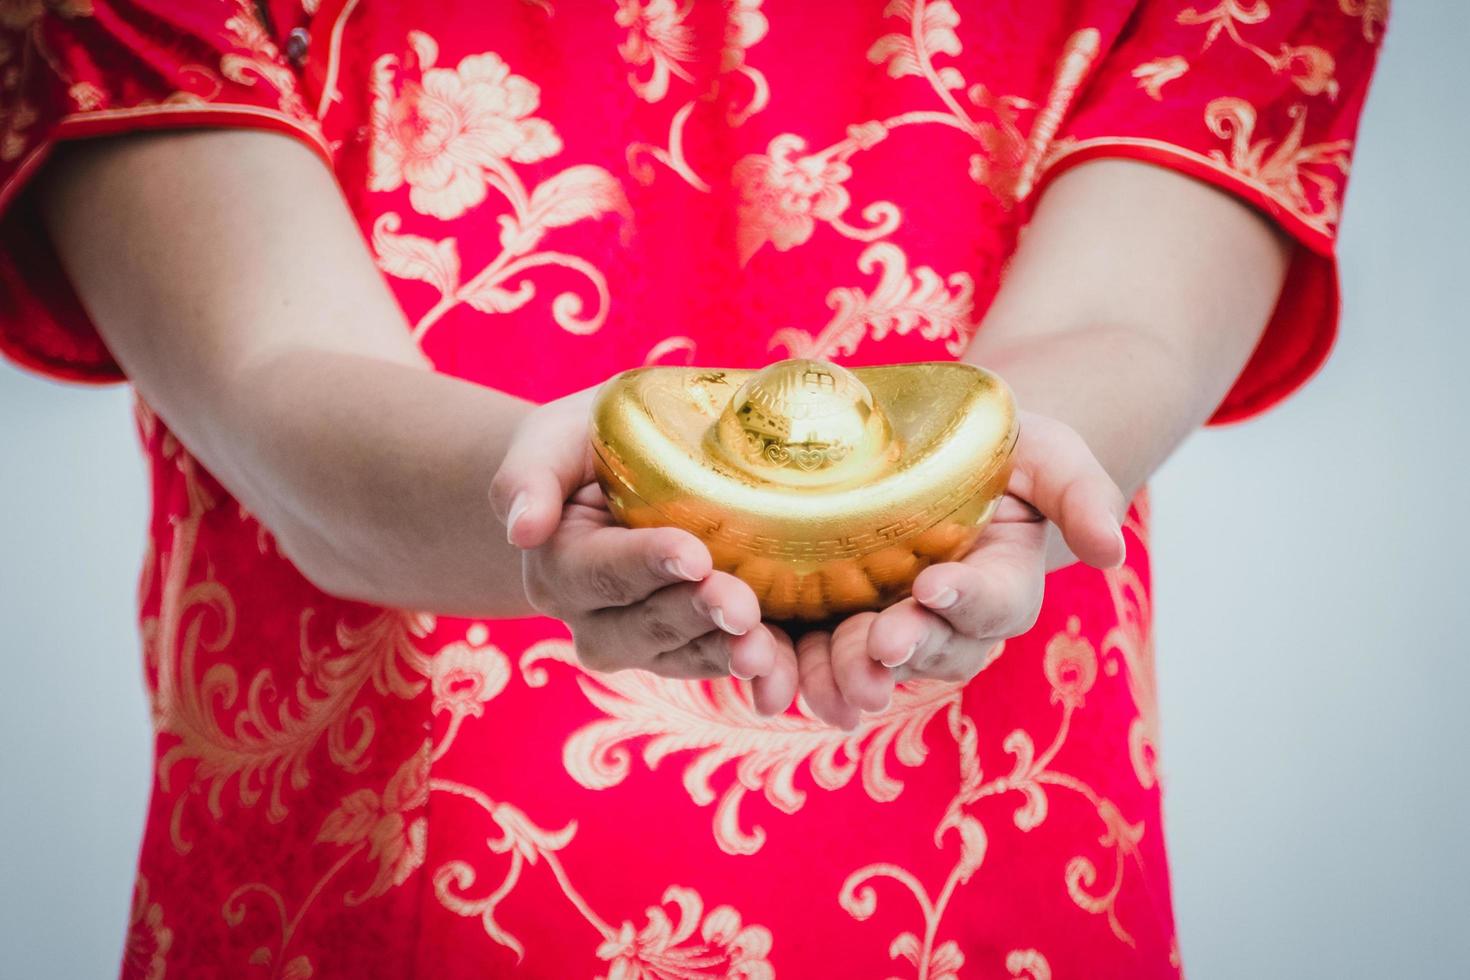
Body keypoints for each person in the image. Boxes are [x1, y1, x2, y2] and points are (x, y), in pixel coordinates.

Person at [1, 1, 1383, 976]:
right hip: (374, 915)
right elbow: (265, 370)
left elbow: (1128, 322)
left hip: (992, 902)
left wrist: (981, 478)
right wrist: (543, 518)